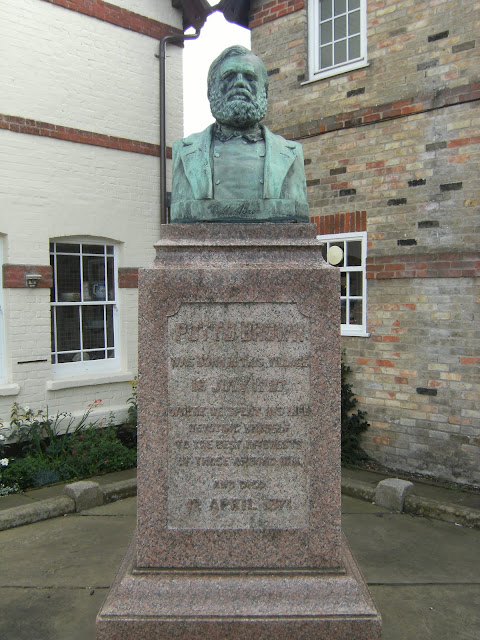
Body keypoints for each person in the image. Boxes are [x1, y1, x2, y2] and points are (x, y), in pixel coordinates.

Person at [170, 45, 309, 223]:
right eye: (229, 76)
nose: (240, 83)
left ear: (264, 92)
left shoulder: (291, 153)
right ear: (210, 91)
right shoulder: (184, 152)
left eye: (250, 77)